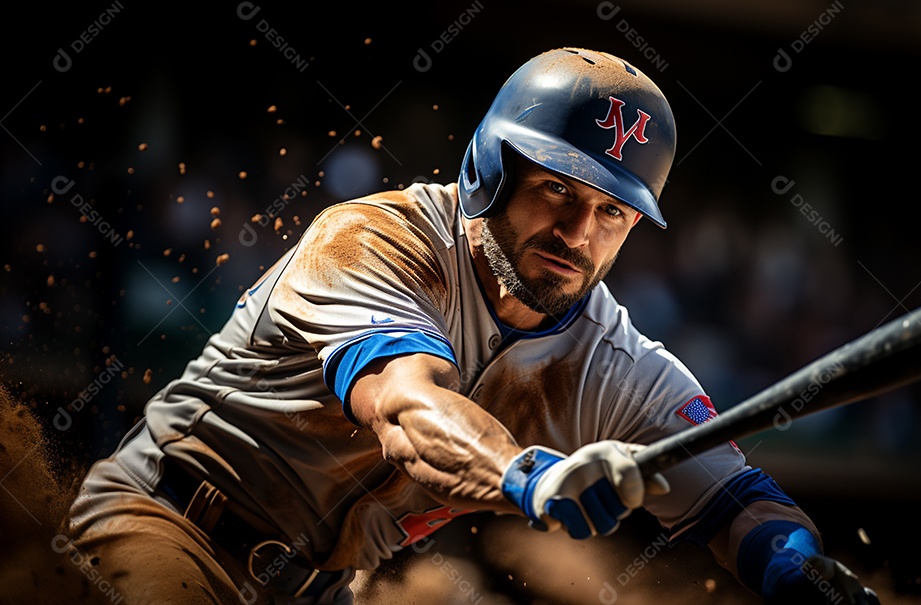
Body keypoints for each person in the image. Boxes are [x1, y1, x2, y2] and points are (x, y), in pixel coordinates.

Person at [65, 47, 880, 605]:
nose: (578, 233)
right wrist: (529, 476)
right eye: (558, 188)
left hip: (317, 589)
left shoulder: (616, 361)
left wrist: (797, 568)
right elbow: (406, 410)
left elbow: (739, 501)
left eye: (611, 211)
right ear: (492, 166)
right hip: (169, 519)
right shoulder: (373, 240)